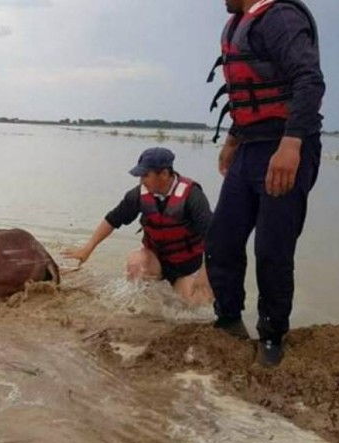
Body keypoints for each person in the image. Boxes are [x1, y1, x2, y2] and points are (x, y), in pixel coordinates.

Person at [205, 0, 325, 366]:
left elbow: (309, 80)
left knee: (273, 249)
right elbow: (247, 92)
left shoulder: (281, 18)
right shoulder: (239, 23)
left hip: (285, 146)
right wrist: (231, 141)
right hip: (249, 146)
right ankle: (228, 320)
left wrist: (292, 144)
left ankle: (272, 335)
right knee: (221, 239)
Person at [62, 147, 213, 306]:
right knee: (136, 263)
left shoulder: (193, 196)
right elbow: (112, 220)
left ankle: (184, 290)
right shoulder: (137, 195)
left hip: (188, 267)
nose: (141, 181)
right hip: (156, 260)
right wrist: (87, 249)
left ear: (164, 174)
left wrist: (205, 272)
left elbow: (215, 238)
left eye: (146, 175)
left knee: (196, 303)